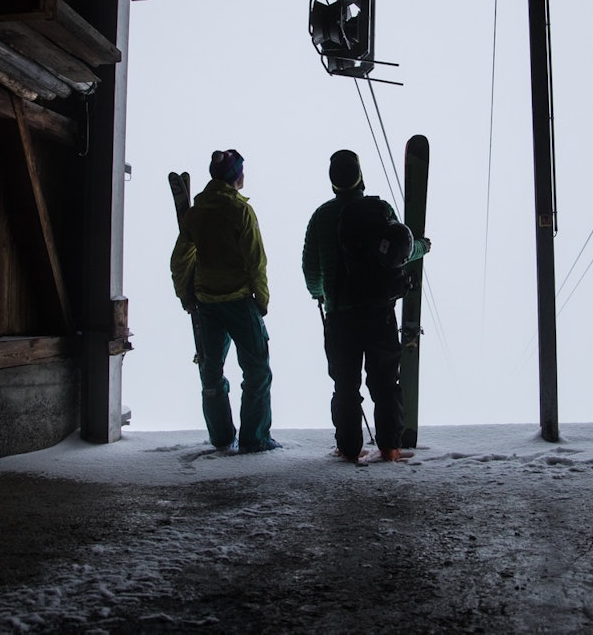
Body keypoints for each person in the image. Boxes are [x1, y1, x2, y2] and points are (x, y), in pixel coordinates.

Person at [302, 149, 430, 461]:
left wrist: (321, 294)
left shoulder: (320, 217)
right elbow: (400, 250)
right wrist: (423, 246)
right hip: (378, 312)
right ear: (360, 177)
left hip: (339, 316)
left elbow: (311, 271)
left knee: (345, 385)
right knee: (385, 382)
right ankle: (390, 448)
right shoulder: (380, 209)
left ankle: (348, 449)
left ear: (333, 182)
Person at [171, 149, 279, 453]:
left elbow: (180, 260)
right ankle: (255, 438)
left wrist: (185, 294)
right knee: (257, 370)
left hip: (206, 303)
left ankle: (220, 437)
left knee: (211, 371)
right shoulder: (240, 211)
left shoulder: (196, 213)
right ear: (236, 177)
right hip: (240, 301)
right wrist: (262, 299)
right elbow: (256, 261)